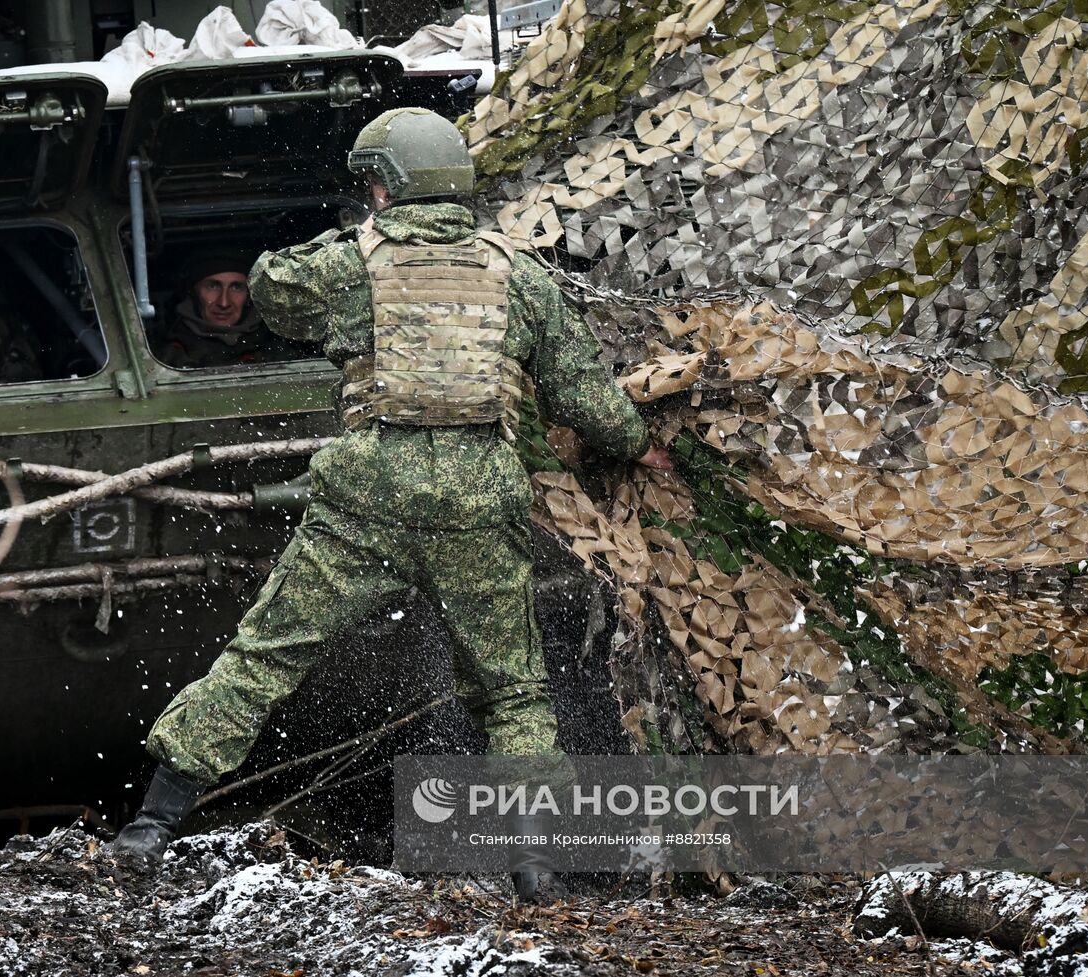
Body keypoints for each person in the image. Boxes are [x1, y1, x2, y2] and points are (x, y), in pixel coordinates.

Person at [114, 108, 673, 899]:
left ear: (383, 185)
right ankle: (536, 866)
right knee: (513, 687)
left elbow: (271, 285)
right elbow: (586, 394)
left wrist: (356, 230)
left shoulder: (349, 263)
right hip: (481, 493)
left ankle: (151, 823)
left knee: (269, 651)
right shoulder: (519, 272)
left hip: (366, 496)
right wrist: (638, 444)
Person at [154, 251, 300, 368]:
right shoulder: (160, 357)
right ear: (193, 291)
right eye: (213, 286)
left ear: (249, 295)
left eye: (236, 287)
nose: (224, 303)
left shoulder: (278, 354)